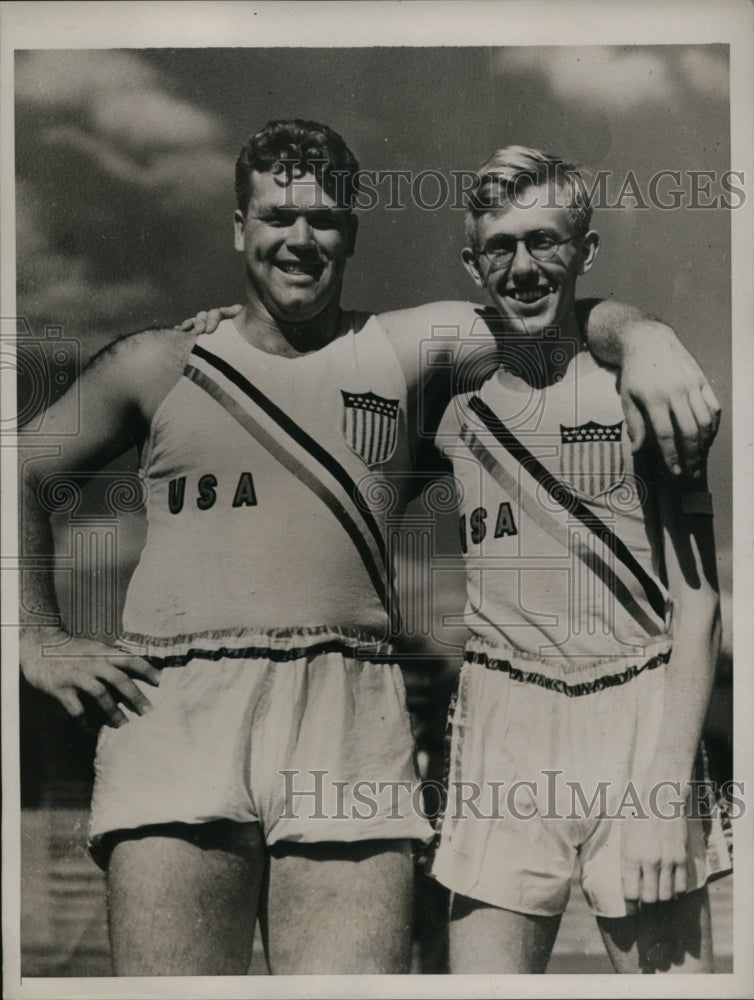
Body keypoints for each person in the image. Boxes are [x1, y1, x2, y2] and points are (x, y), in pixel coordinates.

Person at [19, 120, 720, 976]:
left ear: (352, 230)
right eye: (277, 216)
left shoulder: (405, 347)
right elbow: (19, 469)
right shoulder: (159, 361)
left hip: (348, 712)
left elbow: (549, 302)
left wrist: (645, 334)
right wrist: (36, 636)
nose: (300, 239)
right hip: (179, 704)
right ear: (240, 227)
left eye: (324, 219)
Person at [429, 146, 730, 973]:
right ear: (473, 263)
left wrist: (666, 789)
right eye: (501, 247)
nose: (523, 267)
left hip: (638, 710)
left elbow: (698, 603)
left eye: (547, 241)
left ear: (586, 252)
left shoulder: (643, 384)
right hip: (503, 710)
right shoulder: (445, 389)